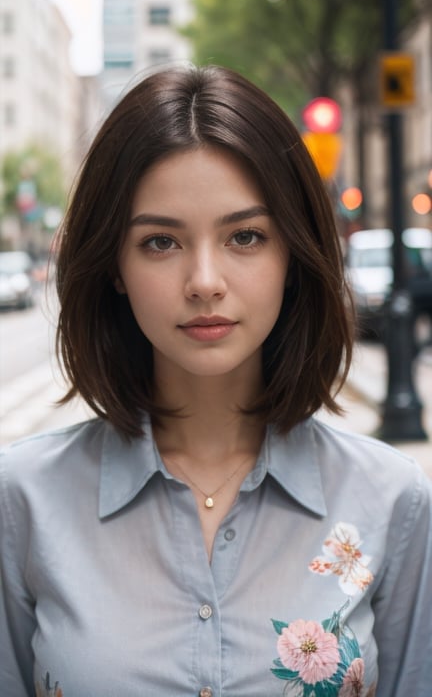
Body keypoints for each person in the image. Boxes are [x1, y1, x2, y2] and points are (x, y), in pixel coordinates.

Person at [0, 65, 431, 697]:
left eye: (245, 236)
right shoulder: (23, 503)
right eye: (160, 243)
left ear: (293, 256)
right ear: (114, 265)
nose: (204, 280)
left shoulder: (392, 502)